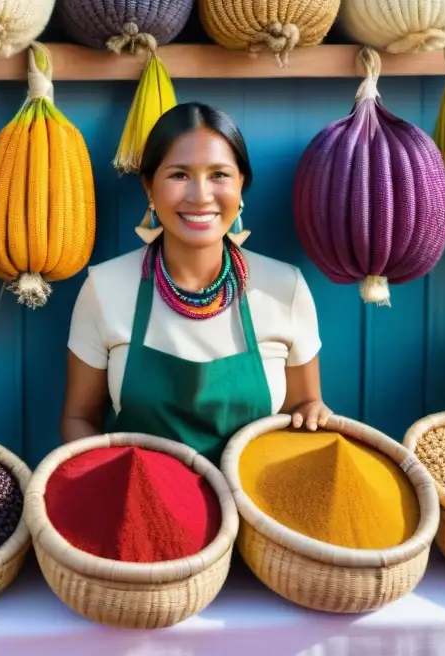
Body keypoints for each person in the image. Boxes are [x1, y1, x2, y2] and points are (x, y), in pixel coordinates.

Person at [62, 102, 332, 463]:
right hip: (141, 508)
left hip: (253, 510)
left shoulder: (286, 288)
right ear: (149, 189)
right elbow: (79, 419)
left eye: (219, 175)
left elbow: (302, 406)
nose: (201, 195)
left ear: (241, 187)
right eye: (179, 175)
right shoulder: (105, 288)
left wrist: (314, 412)